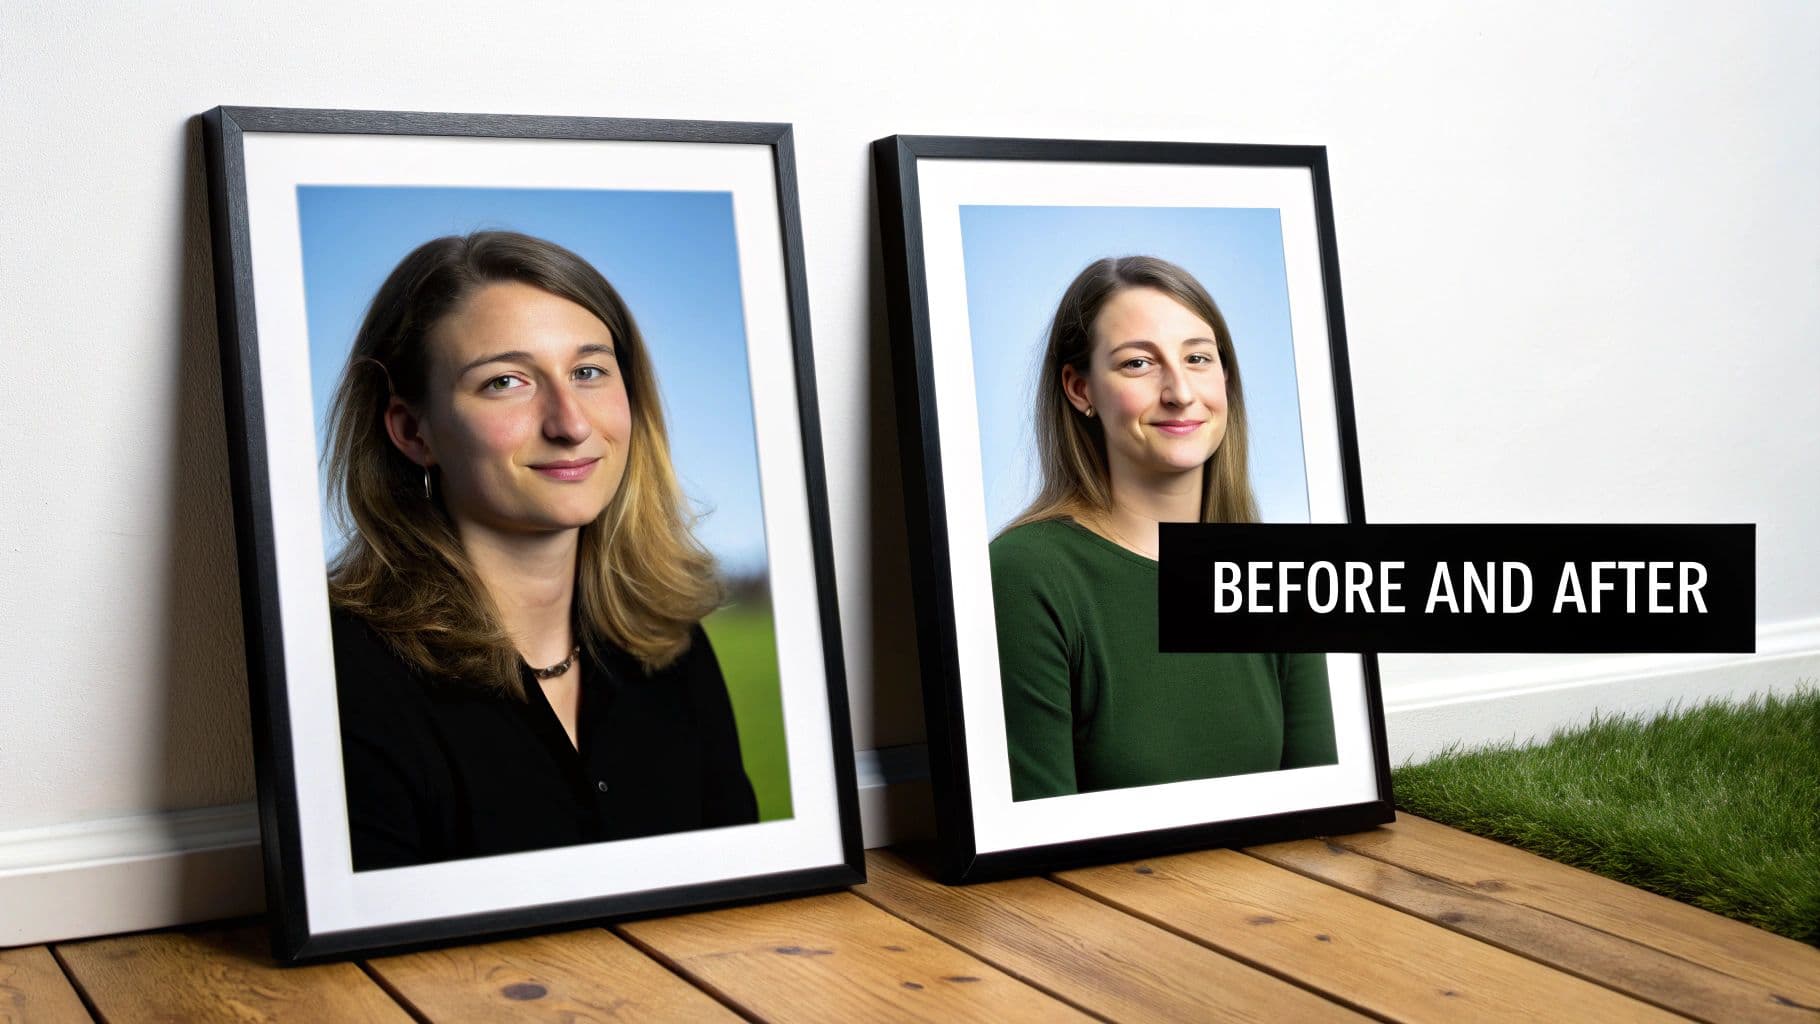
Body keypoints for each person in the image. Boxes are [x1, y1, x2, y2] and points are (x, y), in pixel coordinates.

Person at [323, 230, 757, 870]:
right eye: (506, 382)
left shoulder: (672, 644)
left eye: (588, 372)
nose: (571, 423)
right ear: (413, 432)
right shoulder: (341, 674)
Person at [990, 255, 1337, 801]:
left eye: (1198, 357)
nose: (1179, 391)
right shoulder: (1025, 576)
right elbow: (1038, 841)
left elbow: (1323, 807)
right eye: (1137, 364)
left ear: (1225, 378)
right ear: (1080, 389)